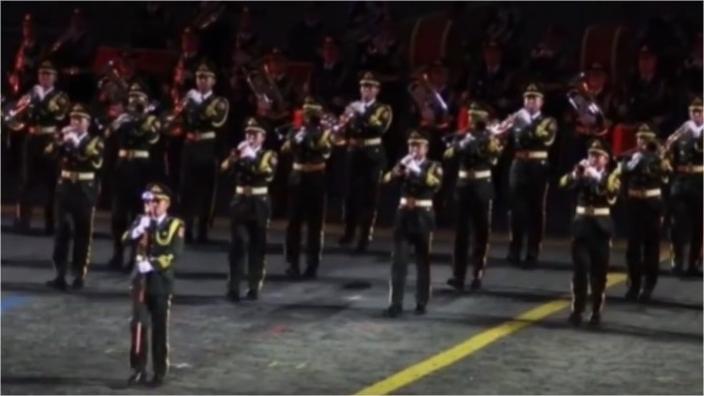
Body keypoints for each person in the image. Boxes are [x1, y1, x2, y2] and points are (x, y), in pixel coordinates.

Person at [125, 183, 184, 387]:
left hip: (160, 282)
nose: (152, 205)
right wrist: (137, 231)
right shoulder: (141, 221)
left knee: (159, 328)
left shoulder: (175, 224)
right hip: (140, 282)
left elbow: (173, 254)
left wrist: (150, 264)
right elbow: (125, 239)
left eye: (156, 201)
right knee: (138, 325)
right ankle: (138, 368)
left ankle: (159, 371)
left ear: (166, 203)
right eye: (149, 201)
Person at [559, 140, 620, 326]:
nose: (592, 158)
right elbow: (563, 184)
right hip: (581, 227)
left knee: (599, 273)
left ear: (606, 159)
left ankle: (596, 311)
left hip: (601, 228)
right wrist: (575, 173)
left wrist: (596, 176)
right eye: (591, 154)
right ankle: (577, 310)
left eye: (597, 155)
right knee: (580, 271)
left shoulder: (612, 177)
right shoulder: (582, 174)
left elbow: (610, 195)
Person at [444, 103, 503, 291]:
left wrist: (483, 143)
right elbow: (447, 154)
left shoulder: (490, 138)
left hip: (481, 186)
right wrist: (461, 144)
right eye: (470, 117)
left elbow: (494, 157)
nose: (470, 120)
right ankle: (458, 275)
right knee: (461, 233)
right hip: (463, 186)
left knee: (481, 232)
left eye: (474, 118)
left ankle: (477, 272)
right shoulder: (462, 135)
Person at [383, 131, 443, 317]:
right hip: (404, 216)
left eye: (418, 146)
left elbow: (435, 184)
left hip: (422, 216)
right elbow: (386, 180)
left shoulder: (434, 165)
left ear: (426, 148)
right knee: (398, 262)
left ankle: (421, 301)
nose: (414, 149)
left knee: (422, 261)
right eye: (411, 145)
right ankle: (395, 303)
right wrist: (399, 168)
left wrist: (417, 170)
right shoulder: (404, 165)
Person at [45, 104, 104, 291]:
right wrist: (59, 141)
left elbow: (93, 162)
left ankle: (79, 274)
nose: (75, 123)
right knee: (61, 230)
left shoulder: (96, 141)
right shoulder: (65, 137)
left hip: (84, 189)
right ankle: (60, 274)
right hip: (65, 188)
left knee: (83, 232)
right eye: (73, 119)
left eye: (80, 120)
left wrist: (75, 145)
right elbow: (48, 154)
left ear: (88, 123)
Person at [220, 118, 277, 301]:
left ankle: (254, 286)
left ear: (263, 137)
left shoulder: (269, 154)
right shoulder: (240, 153)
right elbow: (223, 170)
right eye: (248, 133)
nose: (250, 137)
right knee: (237, 244)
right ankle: (233, 287)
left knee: (257, 245)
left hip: (259, 201)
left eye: (254, 134)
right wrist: (233, 157)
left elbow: (263, 172)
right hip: (240, 201)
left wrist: (249, 156)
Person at [107, 83, 161, 271]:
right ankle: (117, 254)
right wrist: (118, 120)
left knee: (139, 215)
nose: (135, 102)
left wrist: (138, 118)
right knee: (118, 215)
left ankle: (136, 256)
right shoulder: (123, 118)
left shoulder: (151, 120)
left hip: (141, 169)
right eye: (132, 98)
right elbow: (107, 133)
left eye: (139, 99)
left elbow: (150, 137)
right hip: (123, 167)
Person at [13, 60, 70, 234]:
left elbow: (58, 114)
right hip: (32, 137)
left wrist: (37, 101)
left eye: (48, 74)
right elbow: (20, 115)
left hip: (49, 138)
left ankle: (51, 224)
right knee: (26, 180)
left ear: (55, 78)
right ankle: (22, 222)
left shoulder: (60, 96)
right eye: (41, 74)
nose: (44, 77)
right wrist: (22, 107)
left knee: (52, 182)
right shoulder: (31, 92)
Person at [338, 72, 393, 252]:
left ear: (377, 90)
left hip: (372, 153)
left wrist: (360, 114)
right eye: (363, 86)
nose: (365, 90)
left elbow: (379, 127)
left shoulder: (382, 108)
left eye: (370, 87)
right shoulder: (353, 106)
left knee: (370, 196)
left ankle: (364, 237)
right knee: (350, 194)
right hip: (354, 151)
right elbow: (344, 130)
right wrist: (343, 121)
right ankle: (349, 232)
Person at [505, 84, 557, 268]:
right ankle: (514, 249)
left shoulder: (548, 121)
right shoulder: (517, 119)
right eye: (527, 98)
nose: (530, 101)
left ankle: (532, 252)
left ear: (541, 102)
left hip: (538, 166)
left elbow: (541, 139)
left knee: (536, 210)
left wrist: (524, 123)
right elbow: (502, 138)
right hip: (518, 165)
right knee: (516, 210)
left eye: (534, 98)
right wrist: (503, 126)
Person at [178, 60, 229, 243]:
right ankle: (187, 227)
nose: (202, 81)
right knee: (187, 189)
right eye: (199, 77)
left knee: (207, 191)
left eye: (206, 77)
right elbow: (180, 121)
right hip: (190, 146)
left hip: (208, 147)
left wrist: (195, 103)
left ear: (213, 81)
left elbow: (216, 121)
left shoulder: (219, 101)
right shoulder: (189, 98)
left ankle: (203, 230)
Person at [616, 124, 669, 302]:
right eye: (639, 138)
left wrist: (657, 158)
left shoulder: (659, 159)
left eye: (646, 139)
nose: (642, 142)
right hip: (634, 205)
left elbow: (665, 178)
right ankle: (634, 284)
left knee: (651, 248)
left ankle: (648, 286)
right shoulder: (629, 156)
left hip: (652, 205)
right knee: (633, 248)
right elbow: (621, 177)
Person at [282, 98, 332, 279]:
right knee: (293, 223)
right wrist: (298, 136)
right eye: (307, 115)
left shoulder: (325, 132)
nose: (309, 119)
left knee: (315, 224)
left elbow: (325, 151)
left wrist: (316, 135)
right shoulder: (296, 130)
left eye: (312, 115)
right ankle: (292, 263)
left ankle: (312, 264)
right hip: (297, 176)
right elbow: (287, 148)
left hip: (316, 176)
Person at [664, 97, 703, 276]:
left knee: (699, 224)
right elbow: (666, 149)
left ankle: (694, 263)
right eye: (693, 111)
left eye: (700, 111)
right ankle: (677, 261)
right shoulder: (683, 129)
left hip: (700, 179)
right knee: (677, 223)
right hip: (681, 179)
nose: (696, 115)